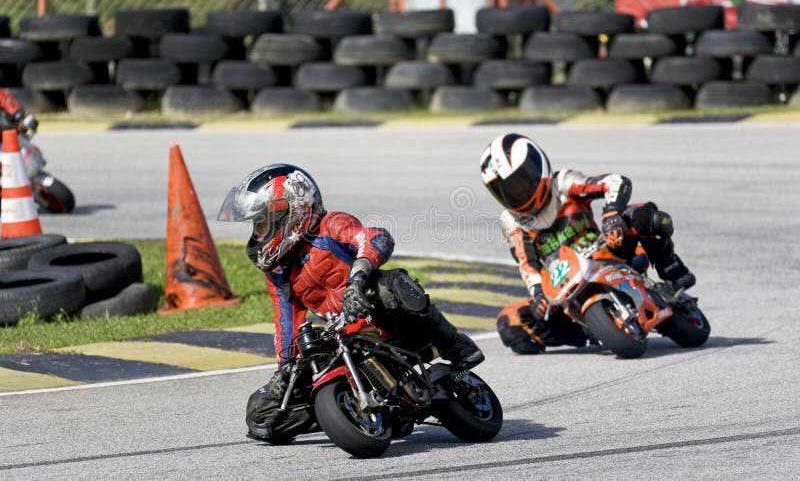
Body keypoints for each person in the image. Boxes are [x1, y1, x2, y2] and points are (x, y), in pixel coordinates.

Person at [217, 163, 484, 444]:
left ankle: (453, 341)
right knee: (261, 411)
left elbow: (375, 238)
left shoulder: (331, 225)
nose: (258, 236)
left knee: (391, 284)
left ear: (292, 212)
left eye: (262, 224)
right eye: (256, 227)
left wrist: (357, 281)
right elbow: (286, 323)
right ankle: (348, 408)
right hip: (343, 336)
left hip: (381, 316)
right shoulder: (278, 272)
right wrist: (285, 369)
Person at [480, 133, 696, 355]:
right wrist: (538, 295)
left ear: (537, 168)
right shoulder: (511, 221)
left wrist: (612, 215)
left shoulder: (563, 183)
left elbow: (615, 182)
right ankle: (593, 330)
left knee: (642, 215)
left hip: (607, 251)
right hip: (564, 283)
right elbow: (527, 264)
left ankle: (673, 270)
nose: (516, 194)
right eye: (505, 191)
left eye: (519, 183)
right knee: (509, 322)